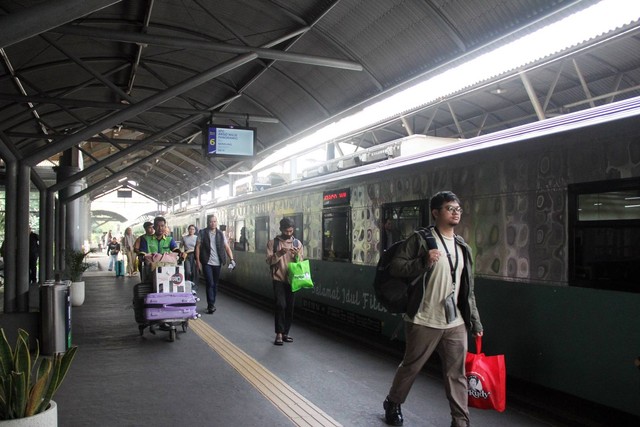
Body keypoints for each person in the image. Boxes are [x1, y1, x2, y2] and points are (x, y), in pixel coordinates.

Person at [383, 191, 483, 427]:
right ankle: (393, 402)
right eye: (450, 208)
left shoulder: (462, 246)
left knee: (456, 374)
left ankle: (460, 421)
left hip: (455, 321)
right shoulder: (420, 239)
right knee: (411, 367)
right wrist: (422, 262)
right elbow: (396, 267)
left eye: (458, 208)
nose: (456, 212)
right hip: (423, 318)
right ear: (436, 213)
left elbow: (467, 290)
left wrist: (476, 322)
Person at [266, 217, 302, 346]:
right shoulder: (273, 243)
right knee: (280, 305)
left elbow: (300, 263)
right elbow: (269, 261)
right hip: (278, 278)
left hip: (292, 280)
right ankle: (279, 333)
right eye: (286, 231)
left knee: (290, 307)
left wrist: (297, 255)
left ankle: (286, 332)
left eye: (291, 231)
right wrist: (280, 253)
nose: (288, 233)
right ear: (281, 230)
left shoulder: (297, 244)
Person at [195, 215, 234, 314]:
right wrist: (198, 261)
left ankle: (212, 302)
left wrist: (232, 259)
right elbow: (198, 247)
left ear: (217, 222)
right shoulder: (202, 233)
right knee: (210, 283)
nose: (213, 223)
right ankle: (210, 305)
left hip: (217, 262)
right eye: (211, 222)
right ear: (208, 222)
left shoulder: (220, 234)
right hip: (207, 262)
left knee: (215, 284)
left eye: (215, 221)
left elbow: (227, 247)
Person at [181, 224, 199, 290]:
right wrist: (182, 253)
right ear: (188, 230)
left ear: (195, 230)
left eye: (193, 229)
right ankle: (187, 285)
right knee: (188, 271)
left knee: (194, 272)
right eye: (190, 229)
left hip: (195, 255)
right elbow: (180, 247)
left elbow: (198, 248)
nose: (191, 230)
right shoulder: (184, 238)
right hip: (187, 256)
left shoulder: (197, 238)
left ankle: (194, 287)